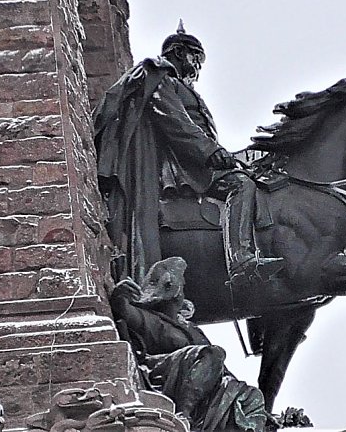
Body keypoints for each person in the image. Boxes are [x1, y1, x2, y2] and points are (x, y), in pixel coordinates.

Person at [93, 20, 281, 284]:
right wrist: (209, 150)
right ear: (180, 53)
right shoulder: (159, 77)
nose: (198, 68)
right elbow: (174, 120)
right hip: (184, 167)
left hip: (199, 161)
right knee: (240, 186)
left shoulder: (183, 87)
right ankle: (242, 261)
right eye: (197, 59)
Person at [110, 257, 267, 431]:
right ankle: (184, 415)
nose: (184, 292)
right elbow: (123, 310)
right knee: (212, 353)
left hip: (200, 379)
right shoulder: (151, 319)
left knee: (252, 395)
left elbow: (218, 368)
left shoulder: (191, 328)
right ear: (172, 289)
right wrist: (119, 298)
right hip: (163, 373)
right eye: (182, 286)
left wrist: (265, 414)